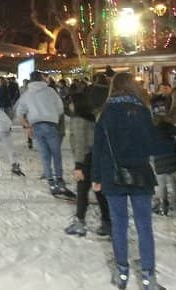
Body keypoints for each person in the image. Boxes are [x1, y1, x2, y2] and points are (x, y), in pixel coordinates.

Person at [92, 73, 162, 290]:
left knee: (119, 225)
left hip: (113, 176)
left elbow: (98, 148)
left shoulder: (104, 113)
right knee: (144, 226)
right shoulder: (142, 111)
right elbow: (152, 144)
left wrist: (96, 177)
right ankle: (148, 277)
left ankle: (122, 274)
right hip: (141, 174)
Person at [64, 78, 111, 238]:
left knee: (83, 191)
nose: (68, 105)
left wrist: (78, 165)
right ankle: (107, 222)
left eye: (70, 102)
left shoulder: (78, 120)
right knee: (98, 191)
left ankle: (80, 222)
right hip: (94, 157)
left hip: (85, 159)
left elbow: (80, 143)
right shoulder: (91, 118)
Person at [16, 71, 74, 198]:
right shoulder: (50, 91)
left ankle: (51, 183)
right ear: (42, 79)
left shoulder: (27, 94)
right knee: (56, 154)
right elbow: (60, 108)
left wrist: (27, 126)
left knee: (45, 155)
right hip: (51, 125)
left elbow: (19, 112)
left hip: (36, 126)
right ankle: (59, 180)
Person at [150, 87, 176, 216]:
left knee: (161, 184)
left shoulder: (152, 125)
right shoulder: (168, 124)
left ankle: (163, 206)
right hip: (171, 154)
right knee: (173, 181)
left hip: (159, 156)